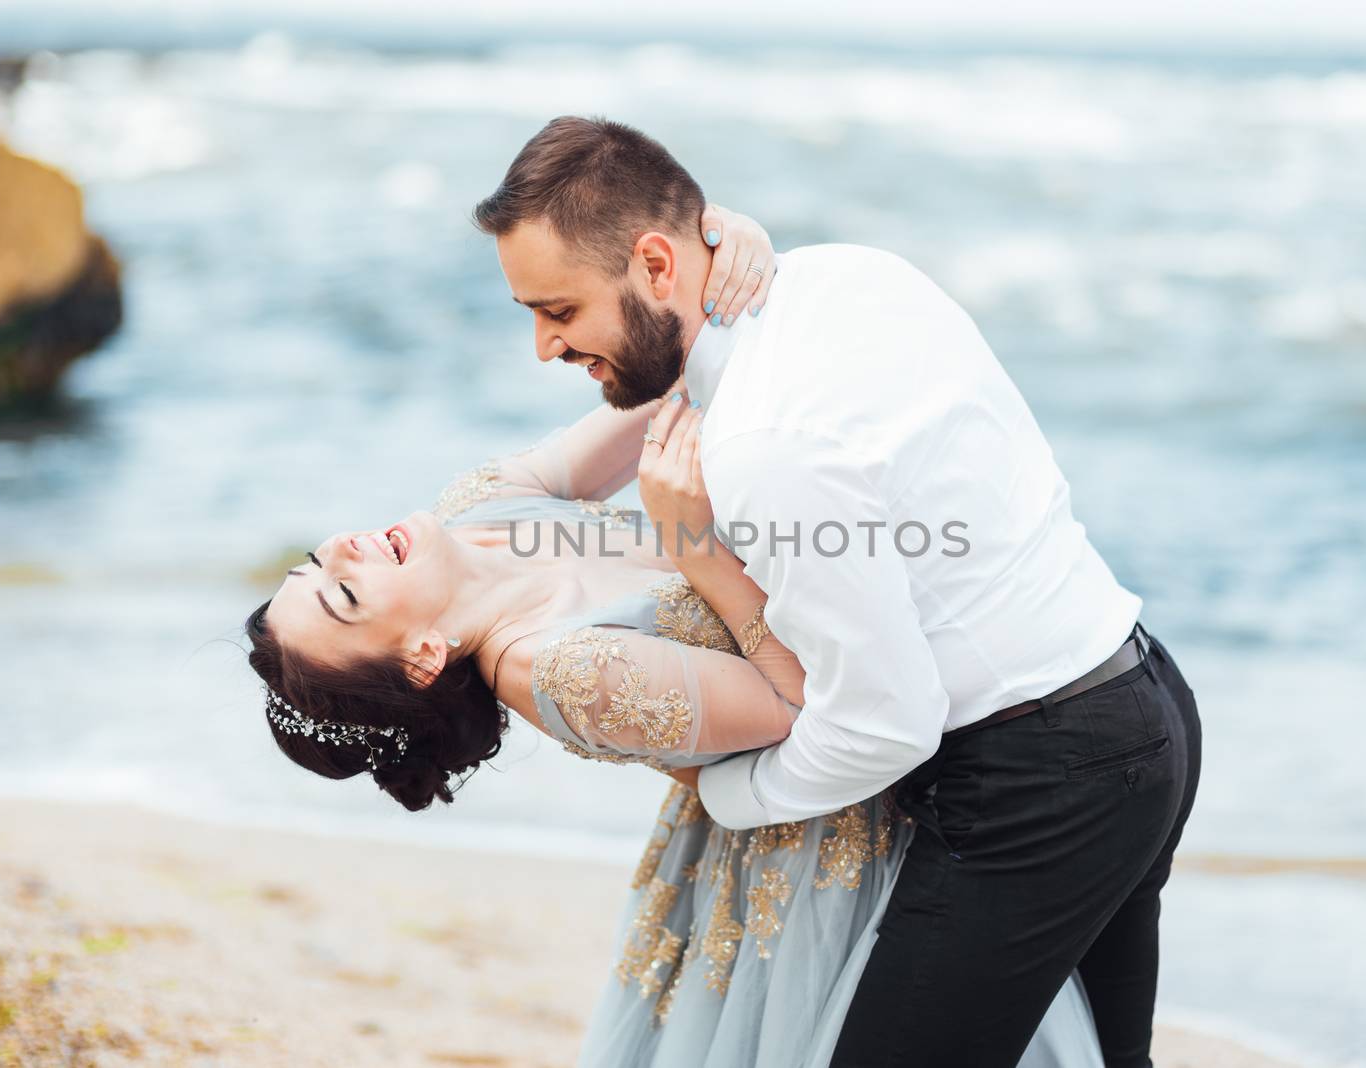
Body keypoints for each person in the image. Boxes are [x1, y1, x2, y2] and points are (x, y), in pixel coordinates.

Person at [243, 214, 1102, 1068]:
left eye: (319, 561)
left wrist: (717, 268)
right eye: (346, 594)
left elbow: (666, 383)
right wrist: (695, 543)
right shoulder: (564, 671)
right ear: (424, 655)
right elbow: (802, 703)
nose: (348, 550)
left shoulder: (477, 509)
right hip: (833, 837)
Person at [474, 115, 1203, 1068]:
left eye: (559, 312)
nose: (543, 347)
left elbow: (884, 726)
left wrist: (727, 791)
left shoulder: (762, 448)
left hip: (1043, 774)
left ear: (657, 265)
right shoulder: (853, 272)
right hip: (1143, 696)